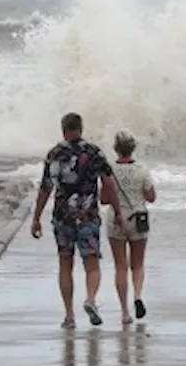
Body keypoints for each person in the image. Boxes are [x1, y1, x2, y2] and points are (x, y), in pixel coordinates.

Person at [31, 112, 124, 329]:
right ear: (81, 129)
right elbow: (109, 184)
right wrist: (117, 212)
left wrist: (36, 218)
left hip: (62, 217)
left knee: (65, 264)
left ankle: (69, 315)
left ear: (63, 130)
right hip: (88, 216)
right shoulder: (93, 152)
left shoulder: (54, 154)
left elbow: (45, 188)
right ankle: (90, 299)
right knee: (92, 263)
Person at [105, 130, 156, 324]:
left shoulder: (109, 170)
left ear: (116, 149)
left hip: (116, 220)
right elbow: (151, 197)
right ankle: (138, 296)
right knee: (138, 265)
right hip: (138, 220)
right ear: (133, 149)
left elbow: (103, 198)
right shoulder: (142, 170)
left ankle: (125, 312)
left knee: (120, 267)